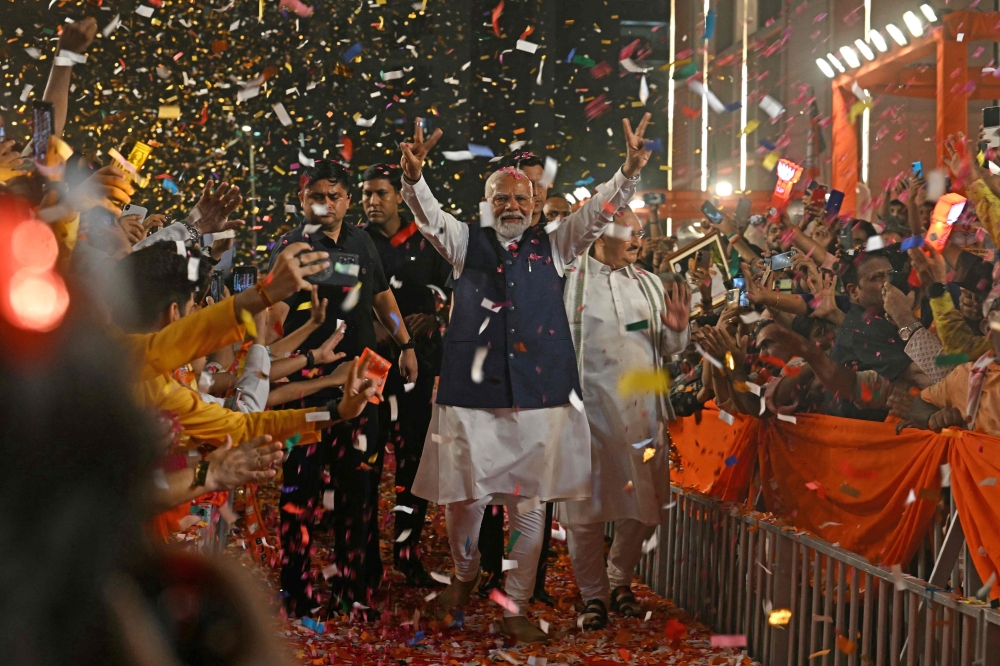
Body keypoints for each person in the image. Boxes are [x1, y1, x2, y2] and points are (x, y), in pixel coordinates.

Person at [396, 113, 653, 642]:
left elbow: (597, 214)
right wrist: (415, 179)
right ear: (486, 204)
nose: (511, 206)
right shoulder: (465, 243)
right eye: (500, 198)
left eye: (521, 199)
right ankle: (466, 579)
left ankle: (514, 608)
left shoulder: (557, 245)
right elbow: (428, 217)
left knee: (528, 510)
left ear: (536, 205)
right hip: (472, 397)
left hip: (540, 399)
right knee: (464, 504)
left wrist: (627, 173)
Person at [268, 160, 417, 619]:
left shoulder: (362, 241)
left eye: (335, 196)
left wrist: (404, 343)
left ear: (348, 200)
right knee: (301, 490)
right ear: (302, 199)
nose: (326, 204)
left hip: (361, 382)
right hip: (305, 388)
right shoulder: (289, 245)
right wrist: (268, 363)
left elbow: (380, 298)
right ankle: (296, 587)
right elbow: (267, 307)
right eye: (317, 195)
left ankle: (354, 586)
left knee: (360, 489)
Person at [562, 207, 691, 629]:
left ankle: (619, 581)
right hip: (587, 415)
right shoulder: (568, 279)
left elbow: (670, 349)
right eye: (629, 233)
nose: (639, 240)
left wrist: (677, 327)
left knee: (640, 508)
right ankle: (594, 596)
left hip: (642, 417)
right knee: (585, 514)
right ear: (599, 234)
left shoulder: (650, 284)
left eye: (640, 233)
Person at [361, 163, 451, 586]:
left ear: (399, 197)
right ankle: (365, 561)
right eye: (365, 194)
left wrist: (434, 323)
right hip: (368, 366)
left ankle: (407, 554)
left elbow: (454, 294)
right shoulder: (356, 241)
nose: (372, 201)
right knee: (365, 461)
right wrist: (372, 325)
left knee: (413, 463)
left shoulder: (426, 240)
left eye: (380, 193)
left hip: (417, 364)